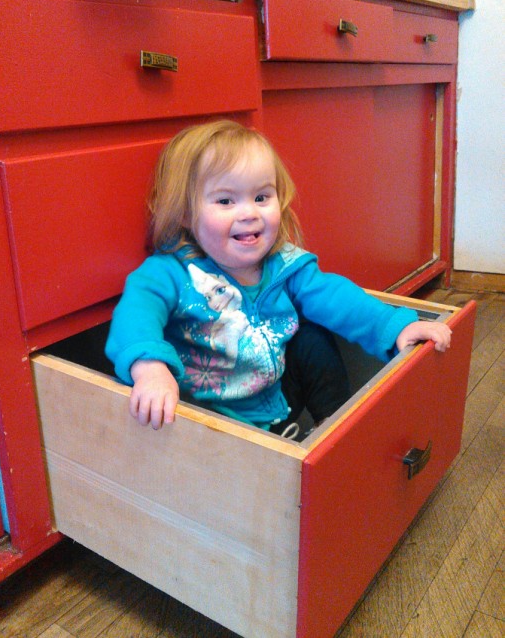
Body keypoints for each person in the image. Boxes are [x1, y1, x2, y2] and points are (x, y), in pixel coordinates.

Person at [105, 120, 451, 433]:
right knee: (175, 400)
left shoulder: (283, 265)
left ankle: (334, 429)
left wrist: (395, 327)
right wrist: (150, 368)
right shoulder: (169, 272)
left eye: (261, 197)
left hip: (279, 399)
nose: (249, 213)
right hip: (211, 417)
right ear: (184, 213)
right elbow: (137, 312)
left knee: (312, 333)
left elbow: (337, 298)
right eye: (225, 201)